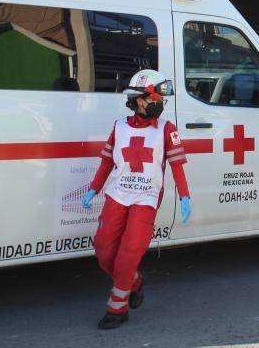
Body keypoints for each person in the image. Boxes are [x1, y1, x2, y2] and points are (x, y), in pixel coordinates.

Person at [80, 70, 192, 329]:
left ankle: (116, 308)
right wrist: (93, 189)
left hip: (146, 198)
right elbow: (107, 161)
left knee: (128, 254)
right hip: (117, 195)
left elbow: (177, 166)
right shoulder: (119, 127)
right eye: (157, 99)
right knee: (105, 251)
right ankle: (135, 282)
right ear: (141, 100)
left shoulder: (167, 129)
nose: (161, 104)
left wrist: (184, 195)